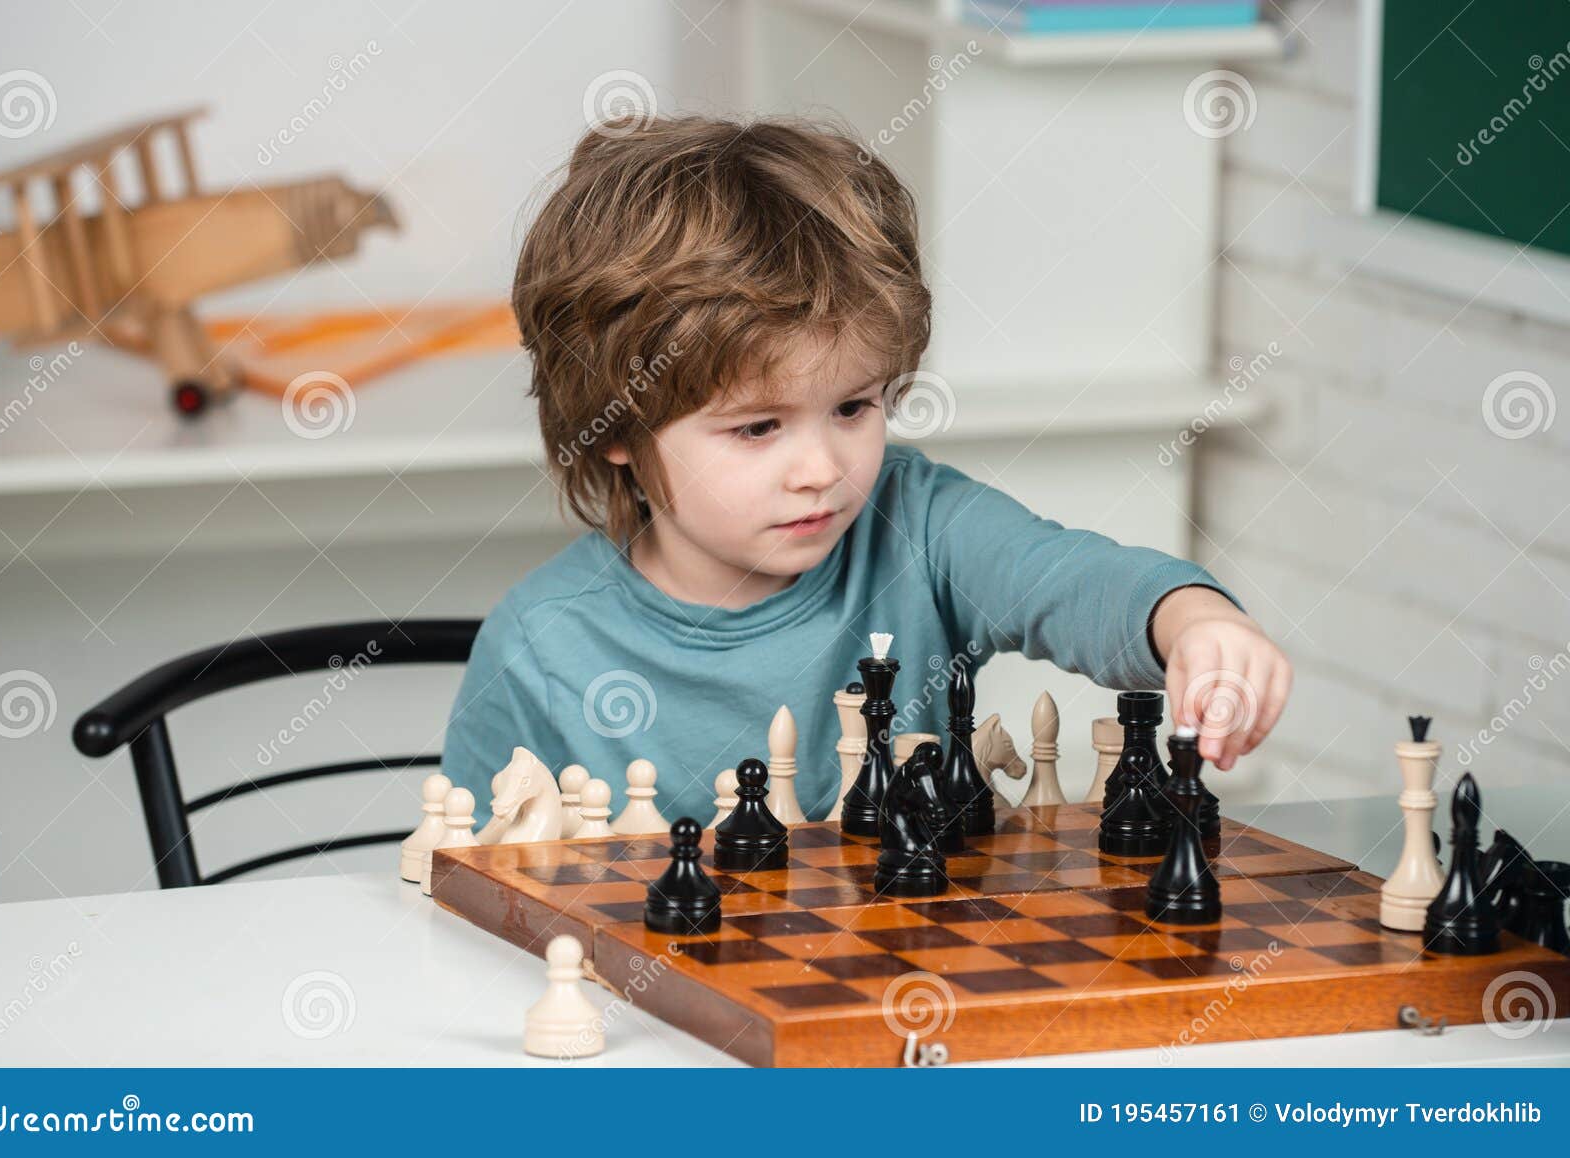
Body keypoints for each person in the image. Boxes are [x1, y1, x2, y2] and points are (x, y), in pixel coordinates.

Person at [442, 115, 1291, 824]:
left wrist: (1195, 622)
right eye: (757, 428)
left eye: (854, 408)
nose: (821, 469)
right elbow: (475, 893)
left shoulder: (917, 526)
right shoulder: (541, 646)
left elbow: (1072, 580)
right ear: (616, 428)